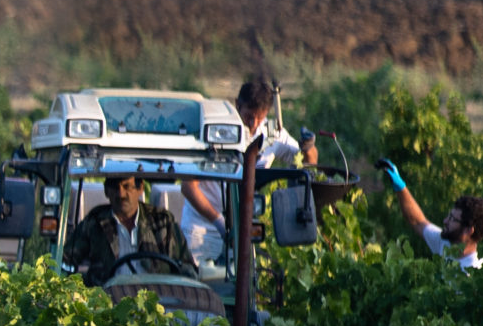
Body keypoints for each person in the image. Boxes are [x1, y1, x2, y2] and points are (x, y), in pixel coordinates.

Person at [180, 72, 318, 259]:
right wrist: (220, 223)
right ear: (238, 104)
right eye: (248, 116)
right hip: (201, 228)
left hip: (244, 229)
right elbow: (188, 187)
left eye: (259, 118)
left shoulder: (272, 134)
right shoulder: (216, 131)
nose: (253, 124)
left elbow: (306, 164)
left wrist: (309, 148)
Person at [66, 171, 193, 288]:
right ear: (106, 191)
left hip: (155, 300)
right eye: (115, 188)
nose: (121, 194)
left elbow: (186, 267)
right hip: (106, 301)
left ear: (140, 188)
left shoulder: (162, 221)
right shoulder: (95, 221)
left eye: (127, 186)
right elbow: (66, 258)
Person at [381, 160, 483, 270]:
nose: (445, 221)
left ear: (468, 230)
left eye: (452, 219)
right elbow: (418, 221)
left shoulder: (472, 271)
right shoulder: (445, 244)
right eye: (449, 216)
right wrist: (400, 187)